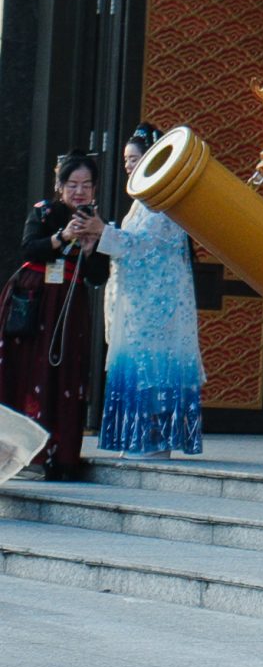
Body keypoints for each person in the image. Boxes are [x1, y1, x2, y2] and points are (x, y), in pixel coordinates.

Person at [95, 125, 203, 459]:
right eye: (126, 160)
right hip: (142, 305)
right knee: (143, 370)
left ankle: (152, 440)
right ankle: (138, 438)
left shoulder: (160, 204)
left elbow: (141, 245)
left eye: (134, 158)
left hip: (157, 308)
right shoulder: (142, 203)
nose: (128, 165)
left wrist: (102, 233)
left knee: (152, 371)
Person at [3, 155, 109, 479]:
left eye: (86, 185)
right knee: (24, 371)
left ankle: (58, 457)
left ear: (94, 190)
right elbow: (28, 249)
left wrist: (91, 246)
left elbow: (98, 276)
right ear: (59, 186)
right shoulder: (44, 212)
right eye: (72, 184)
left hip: (68, 306)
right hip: (33, 300)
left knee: (63, 376)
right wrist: (62, 237)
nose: (79, 191)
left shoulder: (96, 222)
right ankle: (19, 456)